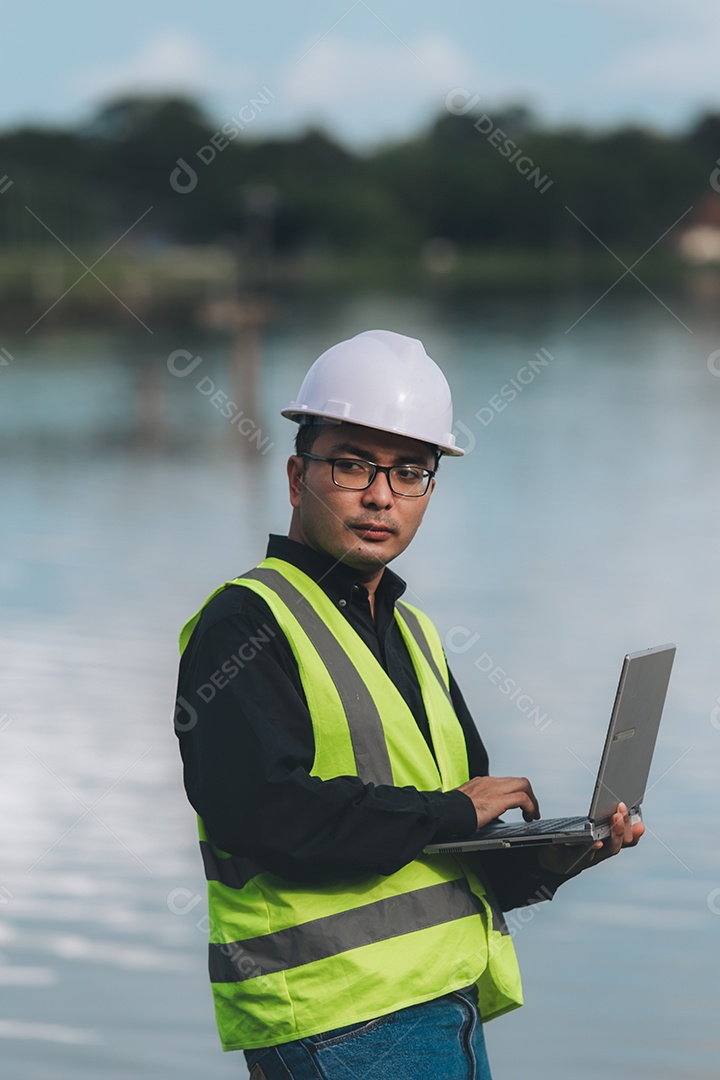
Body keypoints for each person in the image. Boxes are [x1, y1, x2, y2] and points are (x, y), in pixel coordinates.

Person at [174, 329, 643, 1080]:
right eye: (352, 465)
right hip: (335, 1019)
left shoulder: (414, 632)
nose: (381, 495)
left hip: (441, 1002)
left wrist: (562, 853)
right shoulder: (248, 621)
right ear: (298, 477)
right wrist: (456, 811)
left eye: (410, 472)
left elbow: (449, 846)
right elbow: (264, 813)